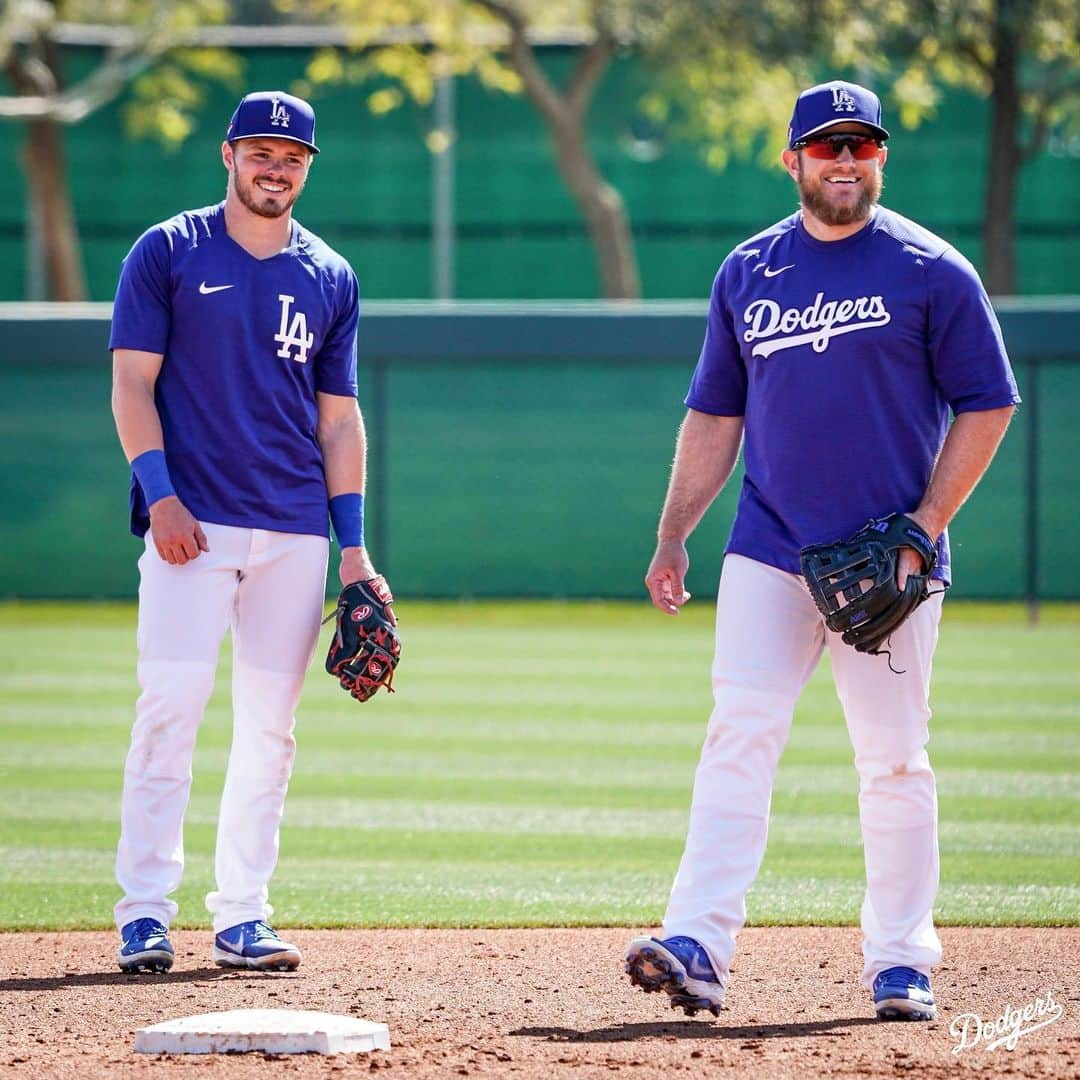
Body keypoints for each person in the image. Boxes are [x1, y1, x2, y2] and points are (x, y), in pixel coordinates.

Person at [625, 80, 1019, 1021]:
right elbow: (716, 415)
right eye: (828, 145)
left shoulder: (932, 270)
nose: (846, 160)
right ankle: (698, 940)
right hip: (769, 547)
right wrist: (674, 531)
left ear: (881, 159)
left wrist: (925, 528)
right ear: (793, 159)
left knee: (892, 759)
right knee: (739, 732)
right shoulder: (749, 270)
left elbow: (989, 402)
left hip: (889, 559)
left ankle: (900, 959)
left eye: (863, 146)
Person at [109, 91, 387, 973]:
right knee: (170, 711)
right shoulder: (168, 251)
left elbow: (338, 423)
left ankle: (242, 916)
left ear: (309, 167)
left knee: (271, 725)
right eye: (262, 151)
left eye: (293, 156)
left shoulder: (330, 274)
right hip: (191, 525)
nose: (277, 167)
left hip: (296, 534)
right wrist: (159, 496)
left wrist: (353, 549)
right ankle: (144, 913)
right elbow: (131, 385)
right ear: (228, 155)